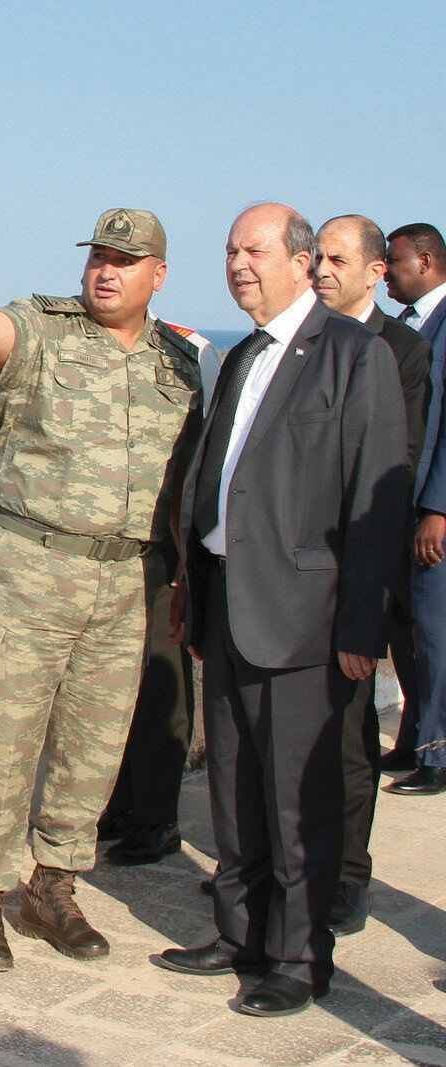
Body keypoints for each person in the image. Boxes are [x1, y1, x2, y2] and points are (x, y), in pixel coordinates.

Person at [0, 208, 201, 973]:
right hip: (33, 567)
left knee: (94, 745)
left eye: (127, 260)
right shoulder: (44, 330)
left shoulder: (178, 362)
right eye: (98, 257)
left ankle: (53, 887)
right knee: (3, 737)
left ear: (158, 274)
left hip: (124, 577)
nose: (107, 271)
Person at [156, 203, 408, 1018]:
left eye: (253, 250)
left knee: (299, 800)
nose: (237, 264)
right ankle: (240, 933)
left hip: (308, 614)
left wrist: (363, 625)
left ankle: (300, 957)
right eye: (229, 250)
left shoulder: (353, 355)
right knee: (234, 785)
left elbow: (380, 492)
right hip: (227, 601)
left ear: (302, 262)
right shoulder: (240, 357)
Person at [310, 215, 431, 935]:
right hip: (293, 575)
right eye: (315, 257)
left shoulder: (403, 350)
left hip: (357, 568)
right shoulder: (300, 340)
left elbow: (398, 463)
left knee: (352, 735)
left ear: (375, 271)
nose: (320, 269)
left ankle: (349, 876)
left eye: (334, 258)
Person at [101, 321, 215, 867]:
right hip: (103, 556)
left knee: (157, 691)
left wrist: (189, 562)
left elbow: (204, 464)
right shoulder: (85, 346)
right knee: (104, 692)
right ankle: (119, 805)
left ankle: (156, 818)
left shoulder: (190, 351)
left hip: (162, 554)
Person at [383, 223, 446, 795]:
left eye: (394, 263)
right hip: (397, 505)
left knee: (434, 633)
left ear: (425, 261)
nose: (386, 274)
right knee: (402, 630)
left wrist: (437, 509)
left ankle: (439, 755)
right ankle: (411, 738)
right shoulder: (407, 326)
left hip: (432, 510)